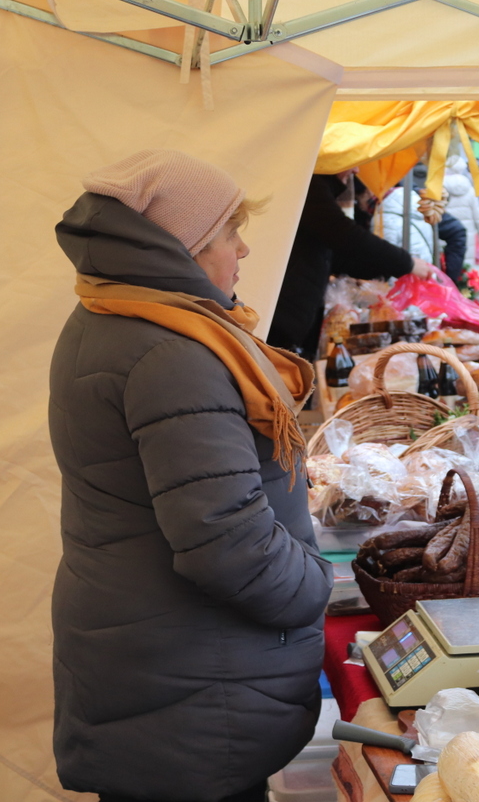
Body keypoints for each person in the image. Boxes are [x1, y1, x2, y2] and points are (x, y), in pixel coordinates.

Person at [48, 149, 333, 801]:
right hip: (193, 685)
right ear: (190, 246)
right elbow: (226, 545)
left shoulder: (111, 312)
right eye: (232, 232)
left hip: (161, 667)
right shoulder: (169, 353)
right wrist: (317, 586)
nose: (243, 251)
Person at [268, 173, 433, 359]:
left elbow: (335, 257)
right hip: (282, 315)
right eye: (352, 161)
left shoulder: (318, 189)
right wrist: (406, 263)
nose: (356, 170)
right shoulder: (310, 184)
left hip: (295, 314)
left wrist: (383, 272)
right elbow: (345, 234)